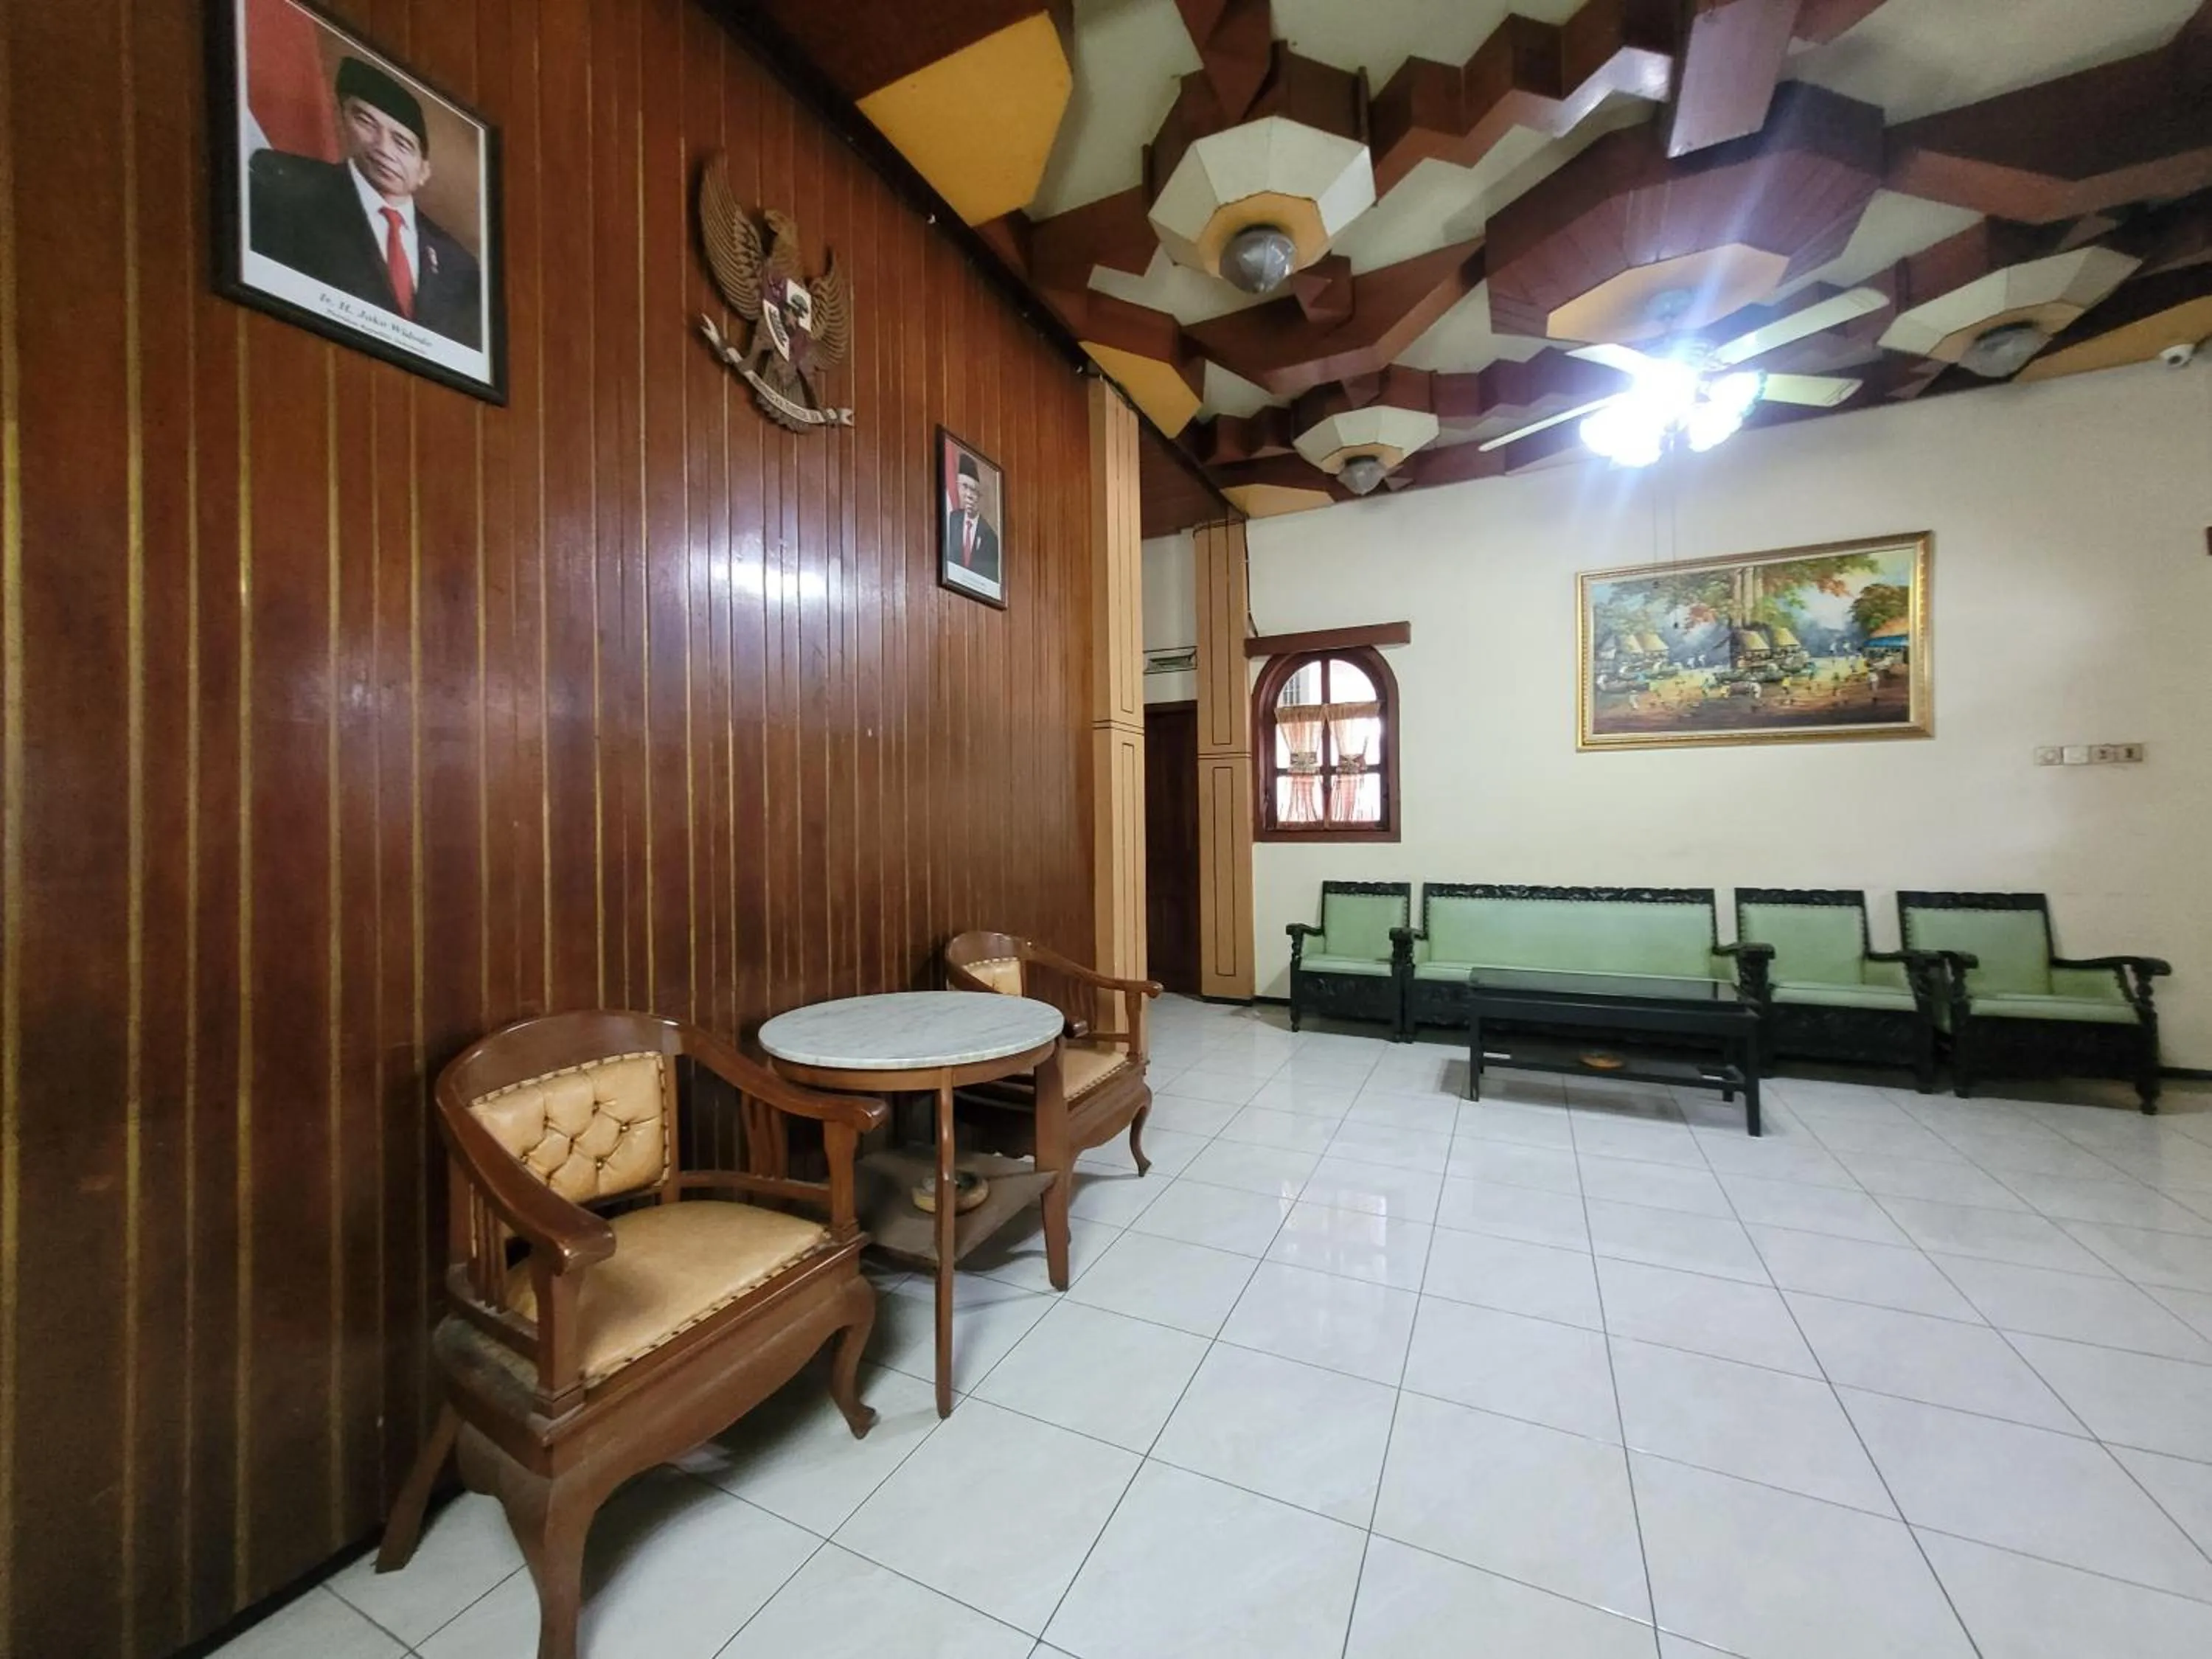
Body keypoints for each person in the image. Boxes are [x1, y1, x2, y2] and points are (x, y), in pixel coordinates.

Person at [248, 57, 482, 348]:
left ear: (423, 171)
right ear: (341, 120)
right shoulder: (284, 189)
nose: (383, 149)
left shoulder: (458, 263)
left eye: (402, 143)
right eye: (367, 122)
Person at [944, 451, 1001, 582]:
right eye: (964, 487)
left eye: (973, 490)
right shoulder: (951, 520)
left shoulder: (990, 538)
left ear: (980, 497)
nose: (969, 495)